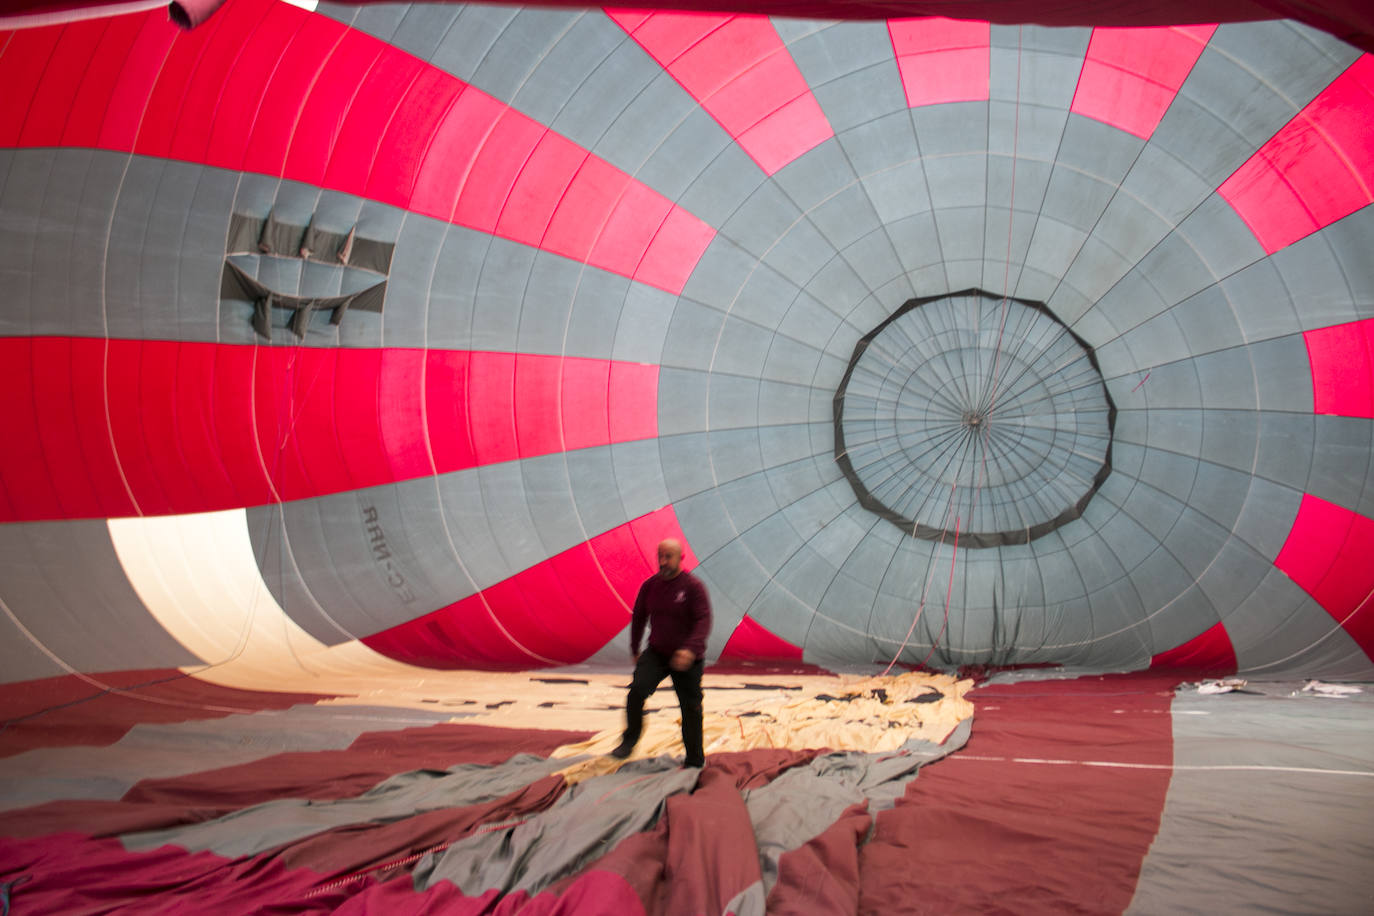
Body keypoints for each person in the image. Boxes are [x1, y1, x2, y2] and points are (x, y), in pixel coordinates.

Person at [610, 538, 712, 768]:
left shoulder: (693, 587)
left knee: (691, 707)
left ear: (680, 558)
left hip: (688, 657)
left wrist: (690, 649)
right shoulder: (650, 586)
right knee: (636, 691)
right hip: (657, 652)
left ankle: (695, 758)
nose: (663, 562)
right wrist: (635, 648)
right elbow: (638, 618)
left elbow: (703, 620)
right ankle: (629, 741)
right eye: (661, 557)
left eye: (669, 557)